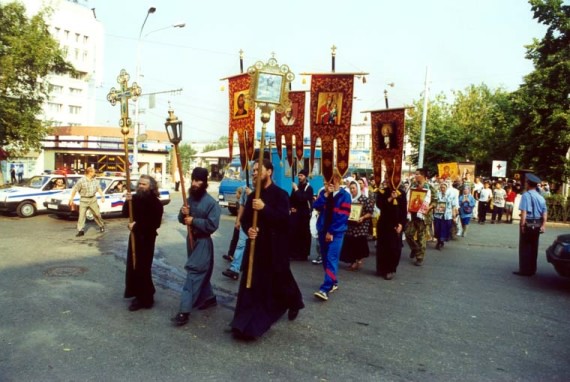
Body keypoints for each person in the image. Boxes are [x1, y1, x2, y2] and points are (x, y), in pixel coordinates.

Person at [230, 159, 304, 340]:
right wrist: (249, 229)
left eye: (258, 170)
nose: (254, 173)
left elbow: (284, 222)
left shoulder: (280, 195)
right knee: (252, 285)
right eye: (253, 170)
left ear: (269, 172)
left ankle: (294, 302)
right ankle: (245, 323)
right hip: (256, 248)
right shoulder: (252, 195)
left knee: (283, 279)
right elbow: (247, 218)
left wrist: (264, 208)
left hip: (275, 248)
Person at [171, 167, 221, 327]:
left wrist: (194, 221)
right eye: (193, 180)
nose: (194, 183)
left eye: (198, 180)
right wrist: (183, 213)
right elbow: (181, 219)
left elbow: (212, 225)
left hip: (203, 242)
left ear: (205, 182)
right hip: (190, 240)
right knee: (201, 273)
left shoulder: (211, 203)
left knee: (193, 273)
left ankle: (184, 311)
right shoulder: (190, 199)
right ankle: (209, 298)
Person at [122, 175, 164, 311]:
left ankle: (146, 297)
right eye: (139, 183)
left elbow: (155, 224)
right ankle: (138, 295)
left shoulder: (156, 203)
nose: (140, 186)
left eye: (144, 184)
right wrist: (126, 201)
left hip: (147, 238)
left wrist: (136, 226)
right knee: (133, 266)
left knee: (143, 267)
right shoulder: (134, 199)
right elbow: (125, 213)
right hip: (134, 237)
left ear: (151, 187)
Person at [312, 168, 351, 301]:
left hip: (336, 233)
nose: (325, 183)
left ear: (336, 180)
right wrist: (326, 195)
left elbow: (342, 217)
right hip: (323, 230)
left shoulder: (345, 196)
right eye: (325, 180)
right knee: (325, 258)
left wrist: (331, 231)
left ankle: (325, 289)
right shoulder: (324, 193)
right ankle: (333, 282)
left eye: (328, 180)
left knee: (331, 258)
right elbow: (315, 205)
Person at [514, 173, 547, 277]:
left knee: (524, 247)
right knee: (534, 246)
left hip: (528, 222)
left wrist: (523, 225)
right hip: (537, 223)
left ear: (528, 184)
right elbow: (544, 212)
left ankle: (524, 270)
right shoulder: (541, 197)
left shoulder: (526, 195)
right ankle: (532, 269)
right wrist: (543, 225)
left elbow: (524, 212)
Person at [405, 168, 437, 266]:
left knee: (421, 237)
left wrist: (429, 207)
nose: (415, 175)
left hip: (424, 216)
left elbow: (435, 202)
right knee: (408, 234)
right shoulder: (413, 186)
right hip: (413, 215)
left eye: (417, 174)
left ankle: (420, 257)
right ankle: (415, 249)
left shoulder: (430, 188)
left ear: (422, 176)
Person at [340, 181, 374, 271]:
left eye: (353, 188)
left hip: (361, 225)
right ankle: (352, 260)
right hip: (350, 225)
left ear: (357, 188)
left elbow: (370, 212)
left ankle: (357, 260)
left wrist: (362, 217)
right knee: (350, 242)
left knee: (358, 243)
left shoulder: (364, 199)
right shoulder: (348, 199)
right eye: (350, 188)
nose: (352, 190)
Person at [376, 184, 407, 280]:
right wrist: (390, 198)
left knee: (394, 248)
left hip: (396, 225)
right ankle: (382, 268)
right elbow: (379, 205)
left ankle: (391, 269)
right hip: (384, 225)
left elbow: (404, 211)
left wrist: (401, 224)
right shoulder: (383, 192)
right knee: (382, 247)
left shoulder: (402, 193)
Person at [222, 186, 252, 280]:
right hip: (245, 223)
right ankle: (234, 269)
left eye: (256, 170)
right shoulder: (245, 188)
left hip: (258, 225)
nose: (254, 172)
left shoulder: (264, 189)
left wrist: (251, 195)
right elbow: (242, 205)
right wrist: (238, 220)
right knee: (240, 245)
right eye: (253, 170)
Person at [68, 167, 105, 237]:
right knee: (81, 215)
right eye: (94, 172)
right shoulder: (81, 181)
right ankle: (80, 230)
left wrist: (102, 196)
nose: (95, 173)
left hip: (93, 199)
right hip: (84, 200)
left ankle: (101, 225)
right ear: (90, 173)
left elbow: (98, 188)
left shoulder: (95, 180)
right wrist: (71, 199)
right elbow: (75, 189)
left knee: (97, 214)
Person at [289, 169, 314, 261]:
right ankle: (294, 252)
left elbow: (302, 198)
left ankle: (303, 254)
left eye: (302, 176)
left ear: (305, 177)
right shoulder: (297, 186)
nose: (300, 177)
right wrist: (291, 207)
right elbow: (292, 199)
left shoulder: (309, 188)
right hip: (296, 214)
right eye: (299, 175)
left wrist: (296, 189)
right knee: (294, 232)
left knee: (303, 233)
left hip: (304, 214)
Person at [433, 182, 458, 250]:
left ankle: (441, 241)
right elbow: (434, 203)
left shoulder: (450, 195)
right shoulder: (437, 194)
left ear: (446, 188)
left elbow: (453, 205)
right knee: (438, 228)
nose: (442, 189)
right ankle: (439, 241)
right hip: (438, 214)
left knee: (444, 228)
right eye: (441, 187)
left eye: (444, 187)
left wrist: (454, 215)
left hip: (447, 214)